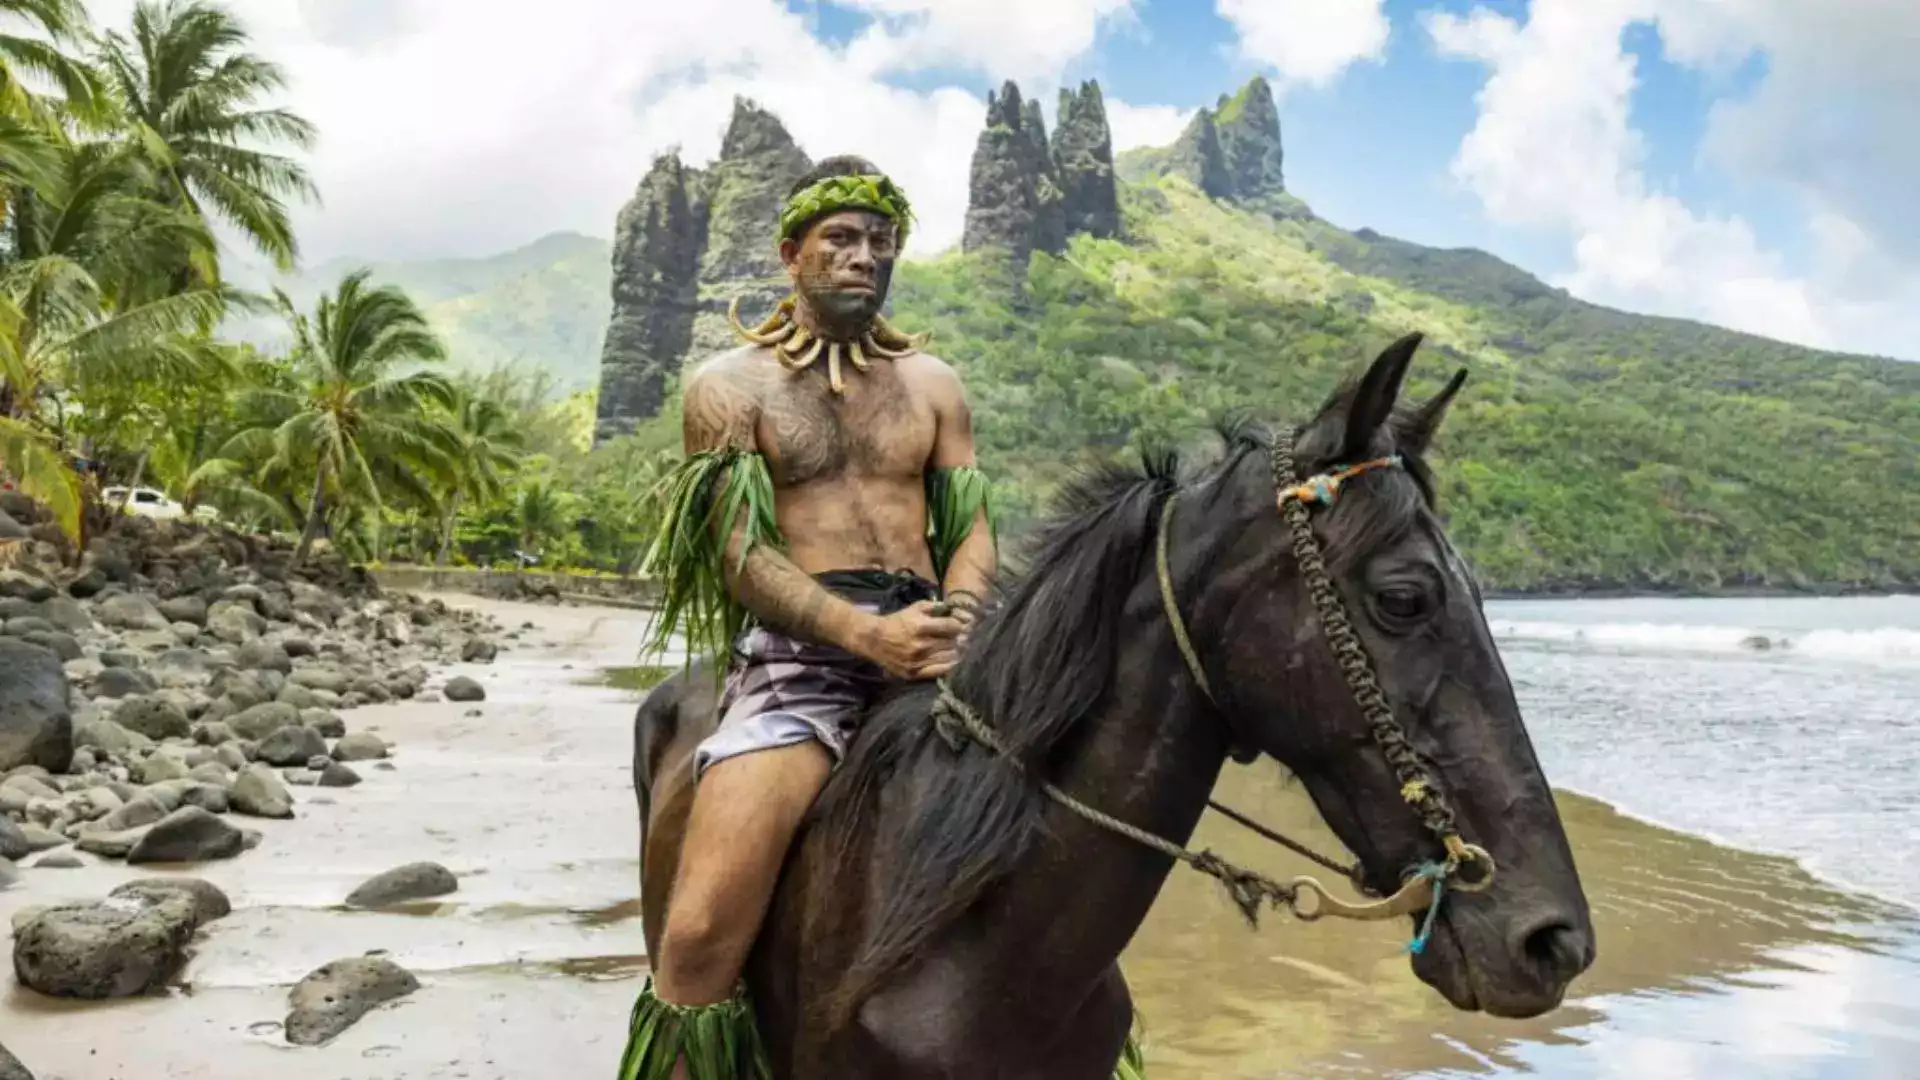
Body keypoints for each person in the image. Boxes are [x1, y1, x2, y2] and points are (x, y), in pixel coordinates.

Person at [618, 156, 998, 1078]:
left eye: (880, 241)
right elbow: (740, 555)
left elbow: (972, 528)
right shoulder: (728, 388)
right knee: (701, 933)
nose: (864, 256)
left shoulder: (934, 386)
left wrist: (963, 615)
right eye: (841, 239)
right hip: (802, 664)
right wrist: (865, 634)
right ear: (792, 253)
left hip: (939, 648)